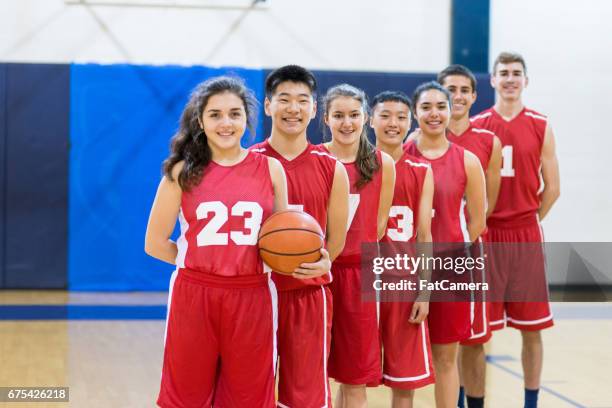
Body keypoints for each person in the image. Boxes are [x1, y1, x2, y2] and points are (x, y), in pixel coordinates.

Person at [145, 76, 288, 407]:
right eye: (216, 114)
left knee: (250, 396)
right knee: (185, 396)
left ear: (247, 119)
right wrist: (200, 264)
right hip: (194, 293)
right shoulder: (182, 171)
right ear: (201, 120)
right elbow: (154, 242)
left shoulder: (271, 169)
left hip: (254, 294)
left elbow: (284, 238)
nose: (226, 123)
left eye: (235, 114)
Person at [250, 65, 350, 408]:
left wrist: (324, 260)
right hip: (258, 294)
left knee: (305, 398)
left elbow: (335, 238)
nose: (293, 108)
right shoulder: (250, 162)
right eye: (284, 100)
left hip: (309, 295)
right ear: (268, 106)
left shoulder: (331, 167)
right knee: (249, 392)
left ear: (313, 108)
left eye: (301, 100)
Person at [471, 52, 560, 408]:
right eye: (503, 73)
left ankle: (531, 402)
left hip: (524, 232)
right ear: (492, 80)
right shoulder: (477, 125)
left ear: (526, 81)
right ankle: (471, 400)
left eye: (516, 73)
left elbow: (552, 188)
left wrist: (528, 219)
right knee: (477, 331)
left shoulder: (541, 124)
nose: (510, 79)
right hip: (486, 234)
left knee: (532, 327)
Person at [404, 81, 486, 408]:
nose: (434, 114)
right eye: (426, 107)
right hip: (405, 268)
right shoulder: (399, 155)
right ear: (414, 112)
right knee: (402, 362)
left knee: (446, 358)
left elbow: (477, 220)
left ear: (452, 111)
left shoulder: (468, 161)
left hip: (450, 268)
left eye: (441, 107)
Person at [319, 84, 395, 407]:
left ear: (365, 117)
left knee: (354, 379)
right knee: (313, 375)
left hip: (359, 278)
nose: (346, 123)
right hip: (318, 274)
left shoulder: (383, 163)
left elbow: (378, 226)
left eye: (353, 115)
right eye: (338, 115)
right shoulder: (316, 159)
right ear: (325, 118)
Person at [436, 64, 502, 408]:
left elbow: (486, 208)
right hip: (423, 257)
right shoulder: (415, 142)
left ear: (474, 96)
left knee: (473, 340)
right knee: (439, 345)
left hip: (467, 254)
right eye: (451, 89)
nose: (458, 96)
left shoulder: (488, 141)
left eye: (464, 90)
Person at [371, 90, 436, 408]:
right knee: (352, 378)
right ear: (371, 120)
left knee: (404, 382)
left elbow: (424, 234)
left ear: (410, 122)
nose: (392, 123)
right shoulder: (352, 167)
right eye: (385, 115)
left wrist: (424, 292)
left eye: (400, 117)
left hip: (403, 281)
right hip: (362, 279)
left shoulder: (422, 171)